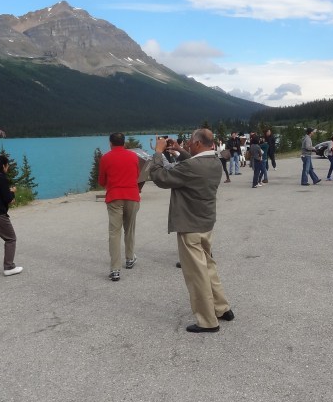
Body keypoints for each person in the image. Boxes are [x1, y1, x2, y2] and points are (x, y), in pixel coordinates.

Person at [149, 129, 233, 333]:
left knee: (197, 274)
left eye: (189, 143)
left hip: (190, 225)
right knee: (209, 267)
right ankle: (222, 308)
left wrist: (158, 152)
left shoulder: (192, 166)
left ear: (197, 143)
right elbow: (193, 165)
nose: (187, 145)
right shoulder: (214, 161)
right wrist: (178, 149)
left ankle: (207, 320)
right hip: (205, 223)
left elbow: (160, 177)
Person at [98, 132, 141, 282]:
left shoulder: (105, 158)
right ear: (124, 143)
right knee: (129, 229)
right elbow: (136, 175)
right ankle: (129, 259)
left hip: (114, 197)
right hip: (132, 196)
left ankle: (115, 269)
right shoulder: (133, 157)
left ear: (110, 143)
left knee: (114, 233)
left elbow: (102, 180)